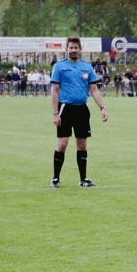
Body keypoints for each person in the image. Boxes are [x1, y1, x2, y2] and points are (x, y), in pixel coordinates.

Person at [50, 36, 107, 188]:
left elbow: (94, 90)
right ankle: (55, 179)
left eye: (76, 47)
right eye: (71, 47)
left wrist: (102, 108)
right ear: (66, 48)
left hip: (82, 109)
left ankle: (83, 179)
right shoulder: (59, 67)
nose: (73, 50)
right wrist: (55, 113)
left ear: (80, 49)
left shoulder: (87, 67)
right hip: (65, 108)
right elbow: (54, 91)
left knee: (82, 144)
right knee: (62, 144)